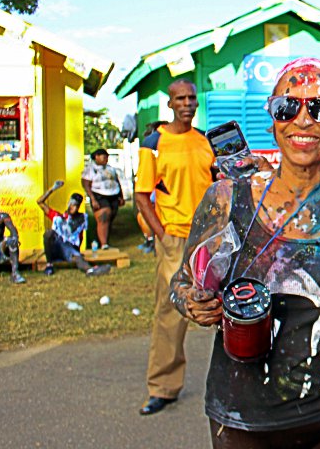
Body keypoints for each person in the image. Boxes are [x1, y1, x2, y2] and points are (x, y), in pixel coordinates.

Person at [173, 58, 320, 449]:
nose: (303, 121)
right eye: (288, 106)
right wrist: (192, 300)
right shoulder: (228, 198)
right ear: (273, 117)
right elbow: (182, 281)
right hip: (246, 419)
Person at [134, 79, 215, 415]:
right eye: (179, 98)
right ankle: (163, 387)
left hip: (209, 237)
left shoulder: (205, 142)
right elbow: (142, 195)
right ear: (169, 104)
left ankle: (242, 385)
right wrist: (162, 234)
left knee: (223, 308)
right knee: (170, 313)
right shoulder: (154, 143)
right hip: (175, 238)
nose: (186, 103)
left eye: (191, 97)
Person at [35, 180, 111, 277]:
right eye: (71, 203)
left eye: (75, 205)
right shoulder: (58, 217)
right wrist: (52, 189)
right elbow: (39, 202)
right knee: (49, 233)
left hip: (69, 249)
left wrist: (77, 252)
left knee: (77, 257)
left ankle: (90, 271)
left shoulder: (81, 219)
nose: (72, 207)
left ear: (78, 207)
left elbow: (79, 238)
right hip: (55, 249)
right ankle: (49, 265)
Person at [82, 147, 124, 249]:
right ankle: (103, 243)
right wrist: (92, 199)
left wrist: (121, 196)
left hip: (113, 195)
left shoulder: (110, 169)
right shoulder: (90, 170)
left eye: (107, 157)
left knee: (110, 218)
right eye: (104, 156)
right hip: (99, 195)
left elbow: (117, 182)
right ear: (96, 157)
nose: (106, 159)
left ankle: (101, 240)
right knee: (104, 215)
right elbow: (86, 184)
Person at [136, 121, 168, 254]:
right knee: (144, 216)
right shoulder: (150, 149)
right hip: (156, 194)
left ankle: (153, 241)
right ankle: (151, 240)